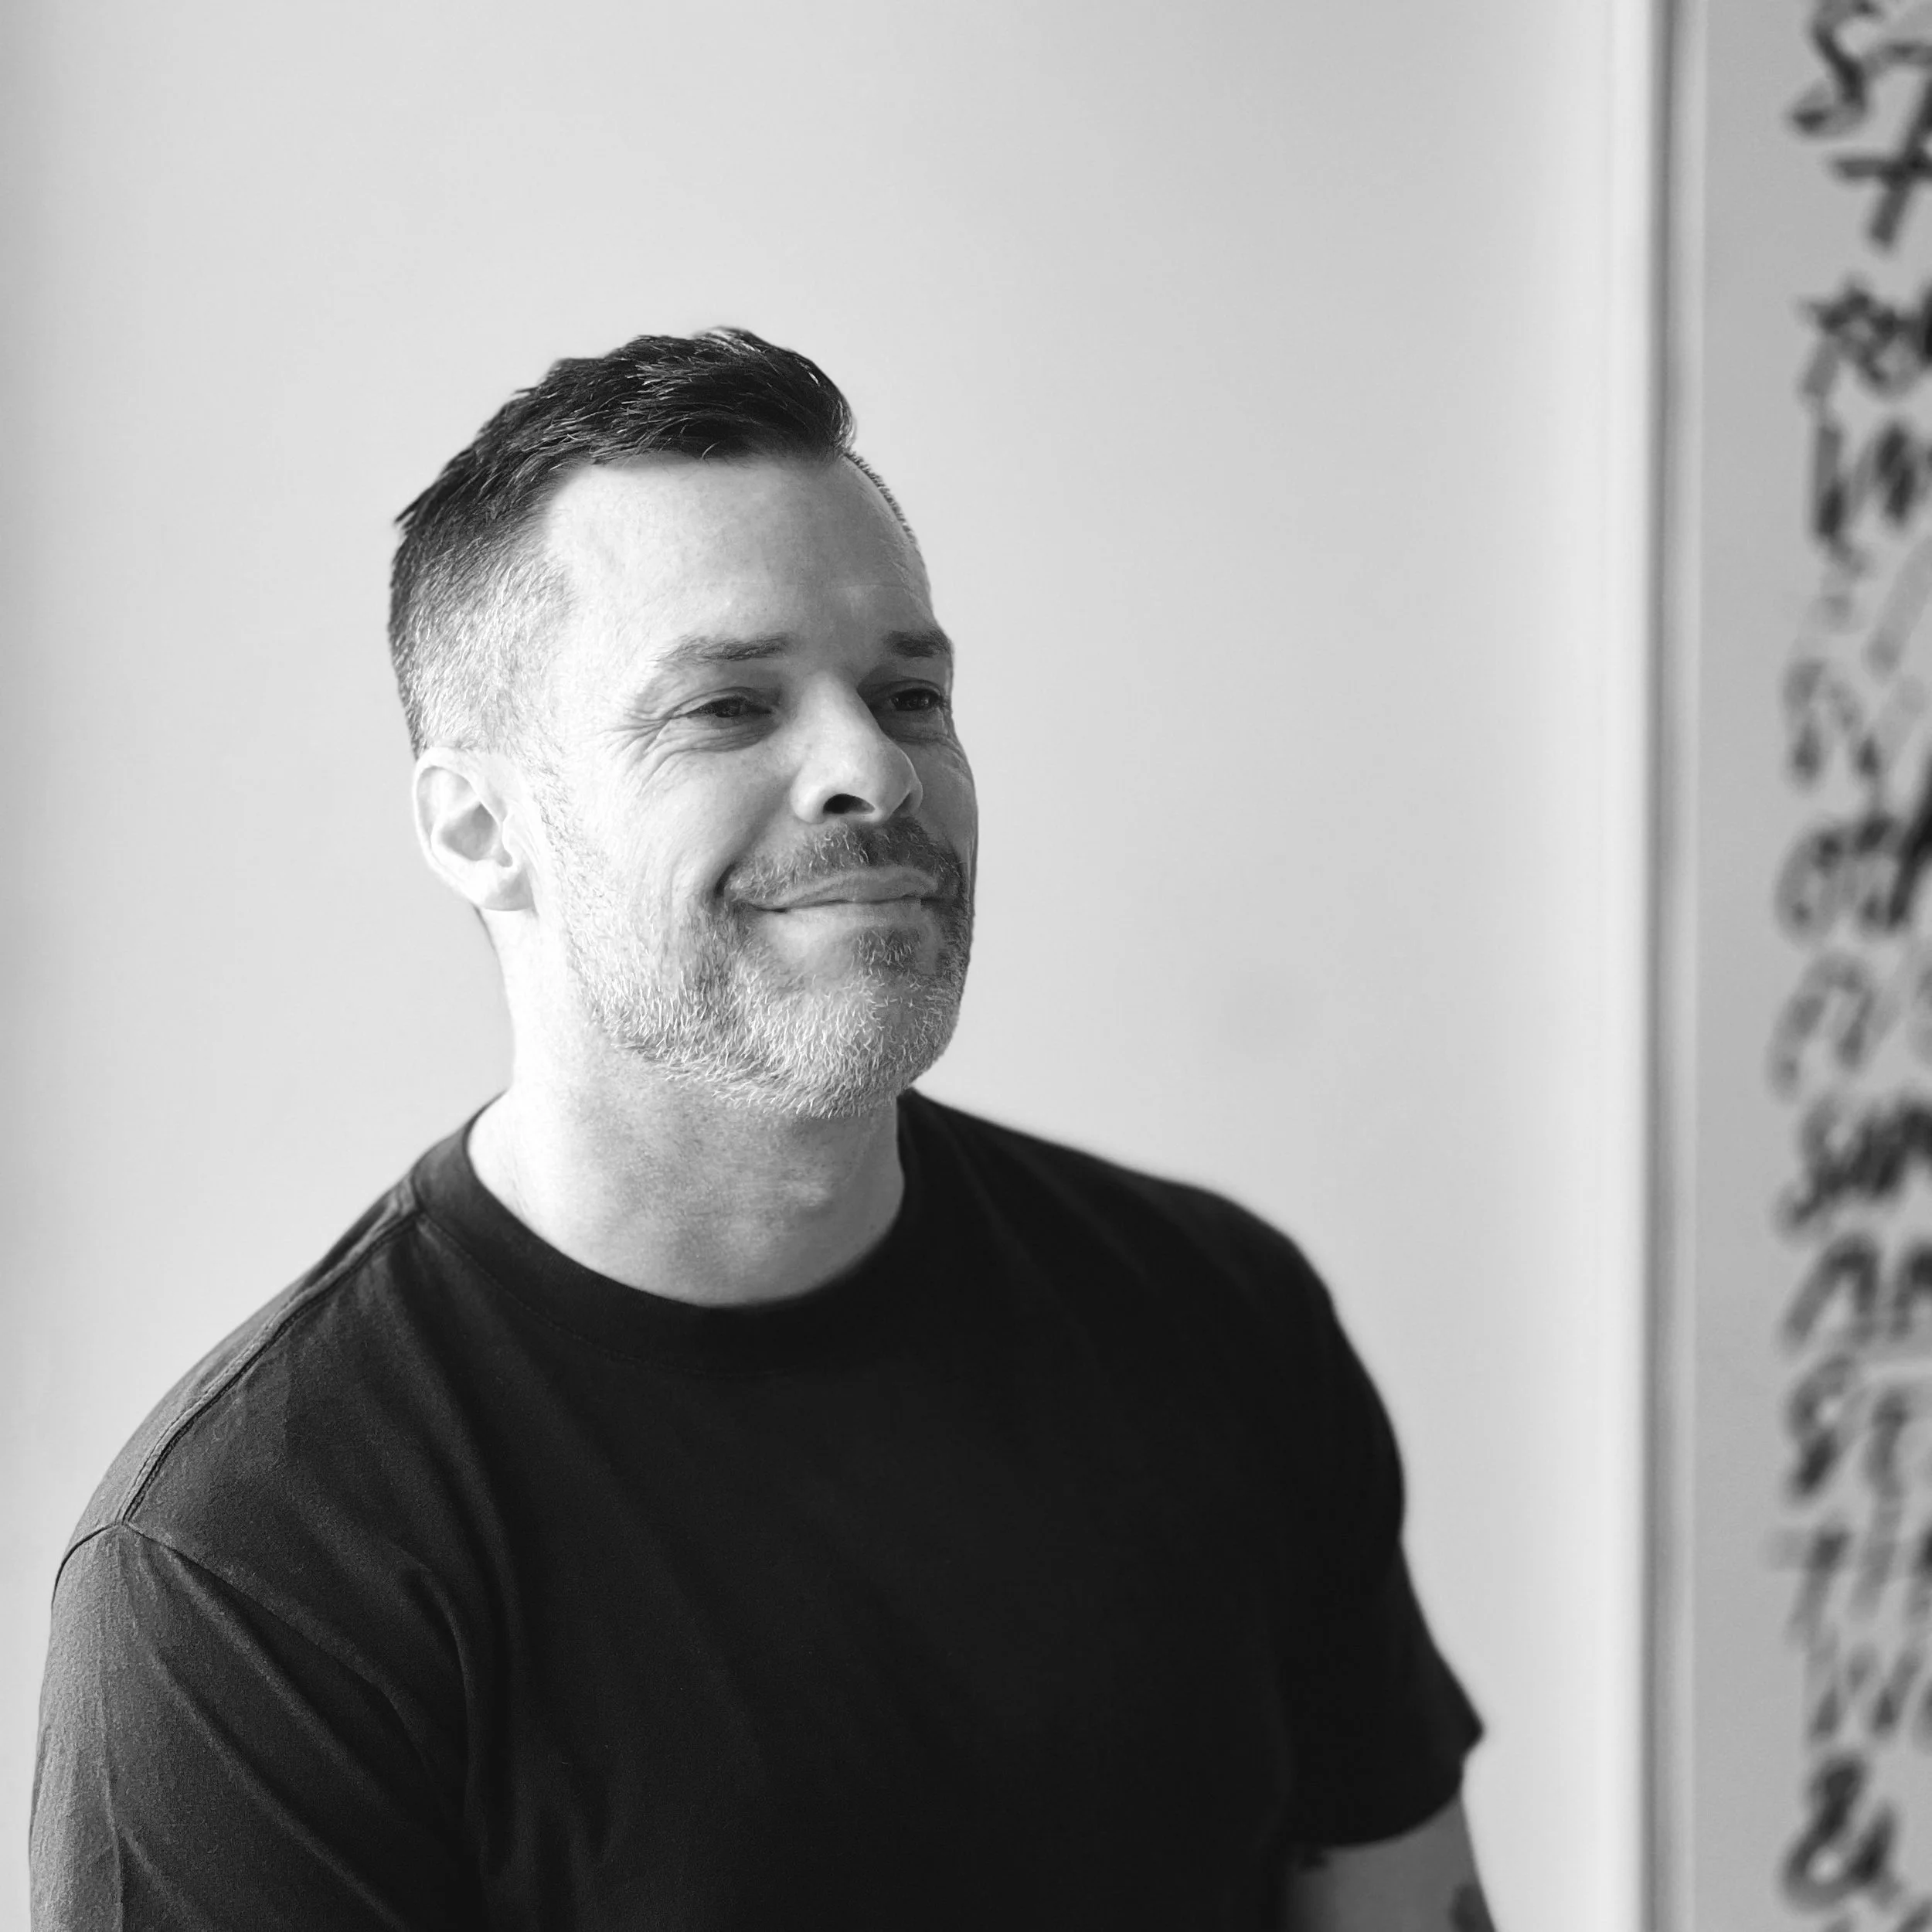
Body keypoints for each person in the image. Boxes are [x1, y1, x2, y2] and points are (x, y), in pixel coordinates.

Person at [31, 329, 1492, 1930]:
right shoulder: (251, 1567)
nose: (871, 766)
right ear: (479, 826)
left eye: (907, 691)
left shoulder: (1216, 1316)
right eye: (725, 706)